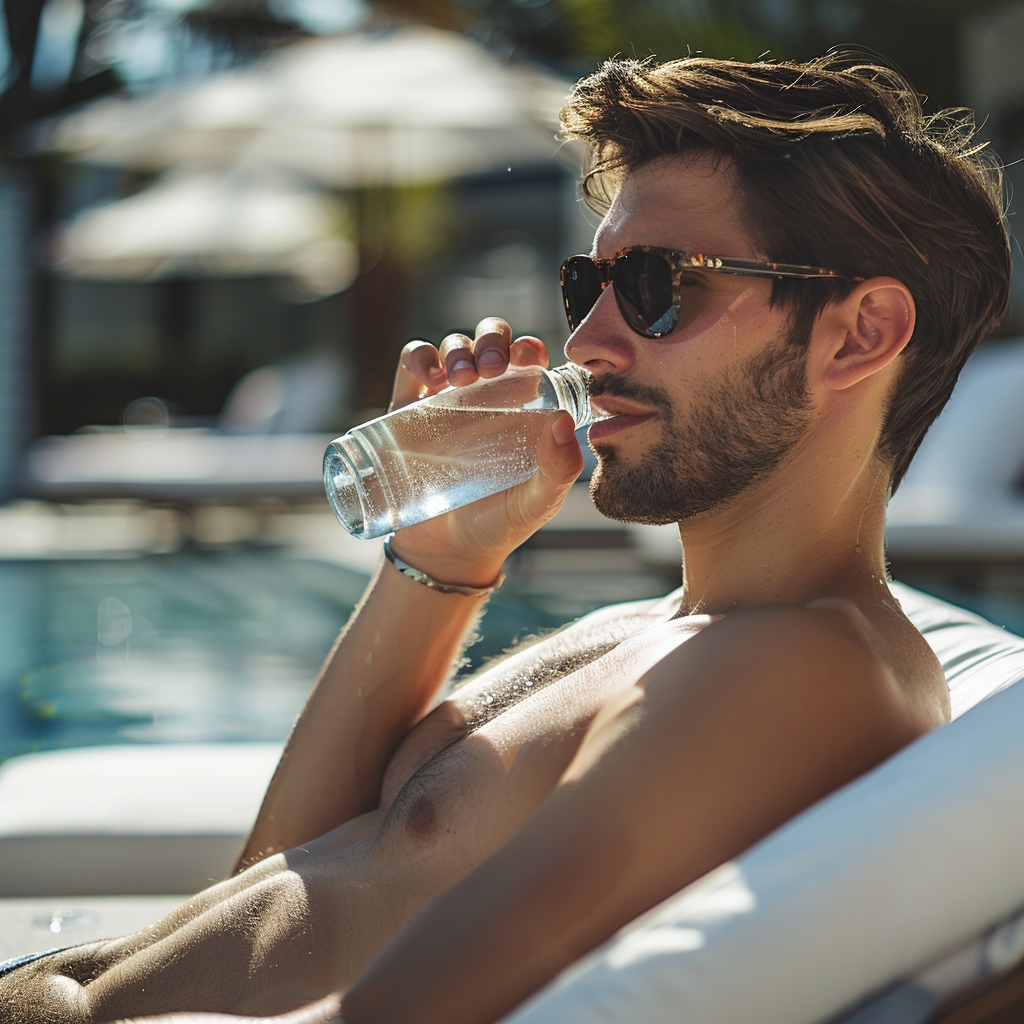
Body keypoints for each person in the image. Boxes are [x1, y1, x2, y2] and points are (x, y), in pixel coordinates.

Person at [0, 51, 1010, 1024]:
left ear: (858, 334)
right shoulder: (660, 632)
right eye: (588, 285)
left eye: (656, 285)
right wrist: (441, 561)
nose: (585, 341)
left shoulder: (796, 669)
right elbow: (270, 887)